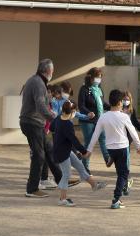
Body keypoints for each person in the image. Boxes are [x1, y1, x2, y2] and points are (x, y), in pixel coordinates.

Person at [85, 89, 140, 209]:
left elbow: (95, 135)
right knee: (123, 174)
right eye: (122, 101)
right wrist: (139, 147)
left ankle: (111, 162)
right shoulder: (124, 116)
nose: (123, 102)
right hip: (122, 148)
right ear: (119, 103)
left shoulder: (103, 117)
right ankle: (116, 199)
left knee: (120, 173)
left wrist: (89, 150)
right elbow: (133, 132)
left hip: (110, 149)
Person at [19, 58, 64, 198]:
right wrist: (54, 119)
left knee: (49, 149)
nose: (53, 73)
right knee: (39, 155)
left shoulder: (36, 81)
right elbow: (40, 106)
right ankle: (32, 189)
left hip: (33, 122)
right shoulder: (38, 83)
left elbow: (41, 103)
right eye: (53, 71)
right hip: (32, 123)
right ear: (48, 71)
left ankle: (62, 180)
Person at [50, 100, 107, 206]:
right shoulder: (67, 124)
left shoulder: (58, 118)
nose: (75, 114)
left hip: (65, 150)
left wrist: (59, 136)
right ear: (72, 112)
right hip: (61, 153)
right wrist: (84, 152)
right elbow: (74, 140)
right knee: (67, 174)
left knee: (80, 166)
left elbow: (51, 127)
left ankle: (94, 185)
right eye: (75, 113)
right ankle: (62, 199)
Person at [78, 68, 111, 169]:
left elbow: (102, 103)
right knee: (88, 142)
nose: (99, 79)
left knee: (103, 139)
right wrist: (88, 113)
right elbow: (81, 105)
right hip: (87, 121)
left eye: (100, 77)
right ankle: (85, 167)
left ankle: (108, 160)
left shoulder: (99, 89)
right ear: (90, 77)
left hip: (99, 120)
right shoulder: (84, 89)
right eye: (97, 77)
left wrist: (112, 107)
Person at [121, 90, 140, 195]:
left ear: (130, 100)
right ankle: (124, 177)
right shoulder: (119, 109)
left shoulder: (131, 110)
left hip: (129, 135)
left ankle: (126, 173)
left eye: (127, 99)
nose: (126, 101)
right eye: (124, 99)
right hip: (120, 134)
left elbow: (135, 122)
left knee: (126, 154)